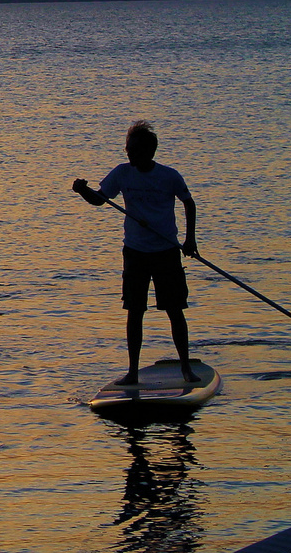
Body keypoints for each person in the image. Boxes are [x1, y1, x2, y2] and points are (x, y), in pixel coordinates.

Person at [73, 120, 200, 385]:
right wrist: (82, 190)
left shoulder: (169, 176)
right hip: (135, 252)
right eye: (127, 148)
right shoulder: (121, 173)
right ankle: (132, 372)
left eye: (131, 149)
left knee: (175, 310)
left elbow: (188, 203)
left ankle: (186, 368)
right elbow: (100, 199)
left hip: (166, 250)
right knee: (135, 310)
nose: (127, 153)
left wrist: (190, 240)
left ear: (147, 152)